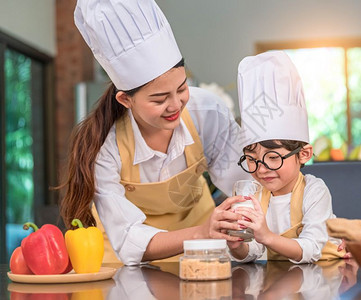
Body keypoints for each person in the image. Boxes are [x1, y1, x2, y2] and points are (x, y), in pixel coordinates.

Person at [59, 0, 249, 265]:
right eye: (159, 99)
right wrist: (201, 232)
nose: (176, 105)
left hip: (203, 252)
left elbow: (246, 185)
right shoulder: (106, 145)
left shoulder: (207, 112)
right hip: (129, 265)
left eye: (182, 88)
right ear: (126, 100)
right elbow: (127, 238)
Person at [228, 51, 347, 263]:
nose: (261, 169)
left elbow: (311, 249)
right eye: (252, 159)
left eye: (273, 157)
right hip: (280, 283)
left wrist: (266, 236)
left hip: (323, 279)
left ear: (303, 154)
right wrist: (237, 246)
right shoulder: (255, 195)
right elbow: (253, 250)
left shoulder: (314, 191)